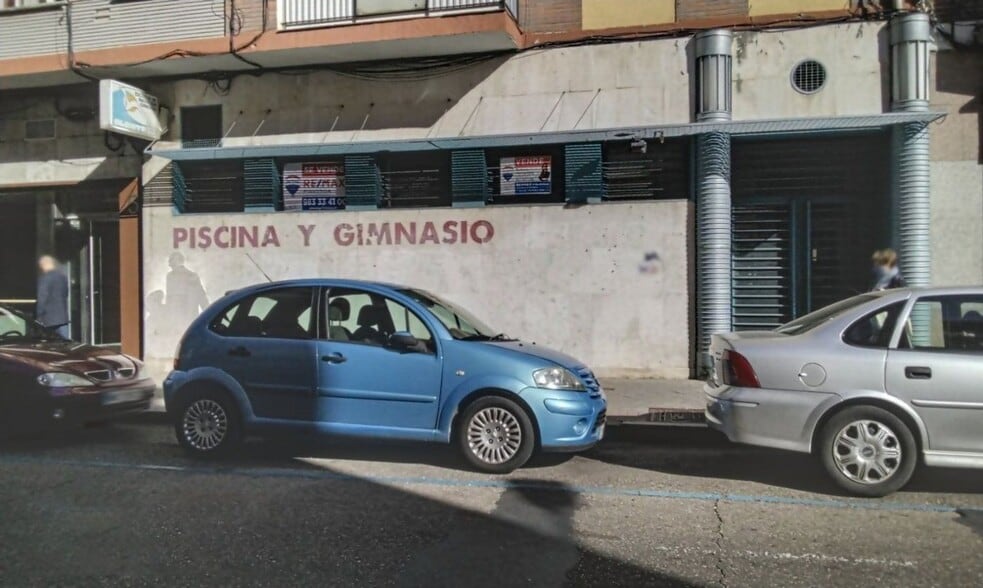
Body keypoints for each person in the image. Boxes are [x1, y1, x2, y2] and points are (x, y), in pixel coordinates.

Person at [36, 255, 70, 339]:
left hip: (48, 318)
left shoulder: (45, 278)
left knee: (49, 341)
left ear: (44, 265)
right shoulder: (62, 277)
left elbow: (42, 297)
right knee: (65, 341)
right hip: (62, 316)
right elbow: (65, 293)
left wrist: (38, 314)